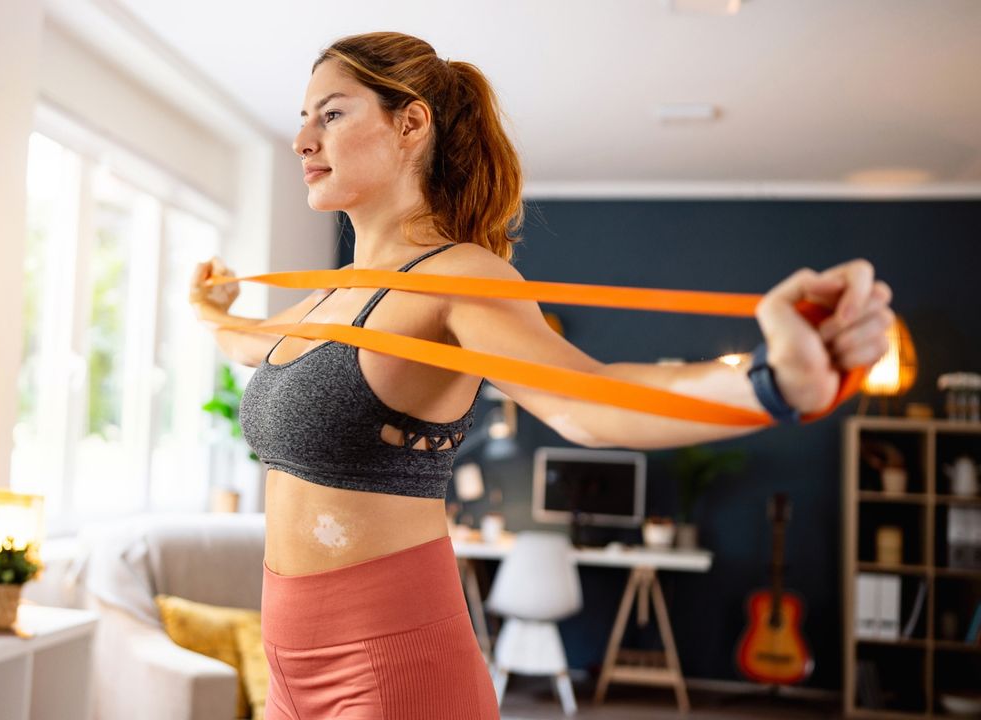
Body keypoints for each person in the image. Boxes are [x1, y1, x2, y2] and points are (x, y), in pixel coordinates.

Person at [189, 31, 893, 720]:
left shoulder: (459, 277)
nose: (302, 139)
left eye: (331, 113)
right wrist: (212, 311)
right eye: (303, 117)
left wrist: (772, 385)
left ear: (410, 124)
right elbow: (252, 348)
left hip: (387, 667)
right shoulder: (325, 296)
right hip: (290, 665)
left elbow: (585, 402)